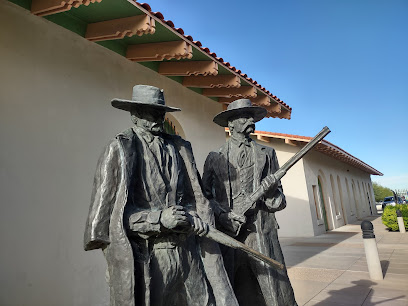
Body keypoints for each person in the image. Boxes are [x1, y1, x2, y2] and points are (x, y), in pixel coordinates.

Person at [84, 85, 237, 306]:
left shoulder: (180, 148)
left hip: (188, 252)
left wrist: (197, 217)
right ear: (135, 115)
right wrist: (158, 219)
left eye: (161, 111)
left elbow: (198, 197)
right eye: (151, 111)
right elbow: (110, 221)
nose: (158, 117)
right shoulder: (119, 150)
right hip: (152, 256)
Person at [202, 99, 297, 306]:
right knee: (233, 287)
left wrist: (270, 190)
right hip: (228, 232)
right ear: (232, 123)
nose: (249, 120)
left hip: (261, 230)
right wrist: (223, 215)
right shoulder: (214, 157)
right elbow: (204, 198)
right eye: (244, 116)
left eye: (251, 116)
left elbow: (279, 202)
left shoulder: (267, 154)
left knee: (273, 288)